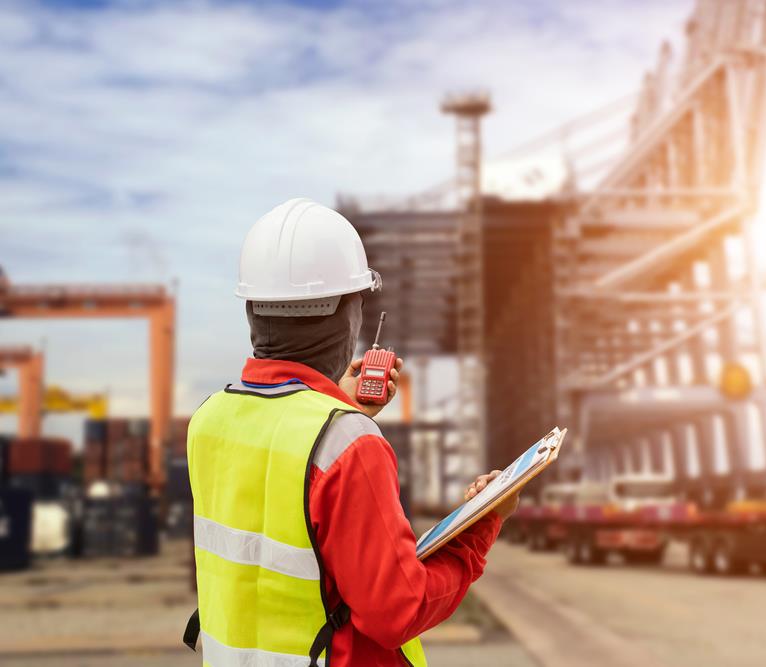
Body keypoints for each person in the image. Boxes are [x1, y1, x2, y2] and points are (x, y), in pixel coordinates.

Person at [183, 198, 517, 667]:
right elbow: (397, 611)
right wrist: (480, 528)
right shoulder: (349, 446)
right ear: (349, 315)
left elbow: (279, 497)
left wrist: (336, 407)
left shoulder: (209, 419)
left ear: (252, 310)